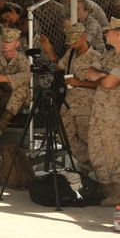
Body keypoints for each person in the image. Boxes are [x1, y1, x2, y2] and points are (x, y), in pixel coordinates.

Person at [85, 18, 120, 206]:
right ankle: (107, 189)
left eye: (108, 31)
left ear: (118, 33)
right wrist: (103, 76)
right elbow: (90, 72)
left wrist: (103, 78)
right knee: (97, 153)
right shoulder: (110, 56)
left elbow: (110, 83)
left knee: (116, 155)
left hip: (118, 117)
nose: (105, 34)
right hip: (101, 115)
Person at [41, 23, 100, 174]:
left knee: (87, 138)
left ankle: (92, 171)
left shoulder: (96, 57)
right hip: (69, 104)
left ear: (84, 37)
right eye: (70, 42)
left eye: (75, 41)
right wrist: (48, 47)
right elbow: (59, 65)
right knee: (64, 136)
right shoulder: (71, 53)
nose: (72, 45)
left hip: (86, 105)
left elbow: (102, 84)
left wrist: (79, 82)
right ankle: (87, 162)